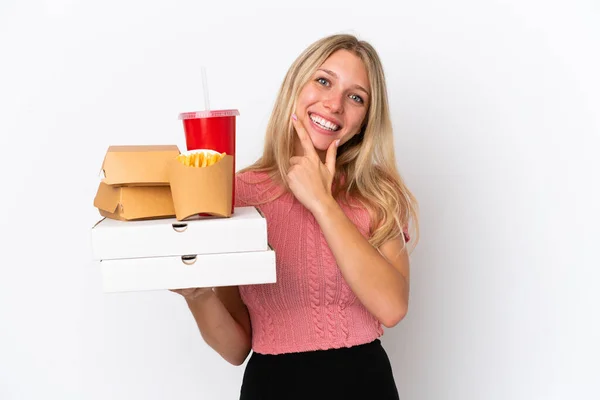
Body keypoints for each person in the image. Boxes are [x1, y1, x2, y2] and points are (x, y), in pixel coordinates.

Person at [172, 33, 419, 400]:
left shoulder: (376, 194)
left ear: (366, 120)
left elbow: (392, 307)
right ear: (295, 86)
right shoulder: (238, 194)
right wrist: (197, 294)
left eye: (356, 97)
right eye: (323, 80)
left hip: (364, 386)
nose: (334, 104)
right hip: (272, 387)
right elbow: (236, 347)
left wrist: (322, 201)